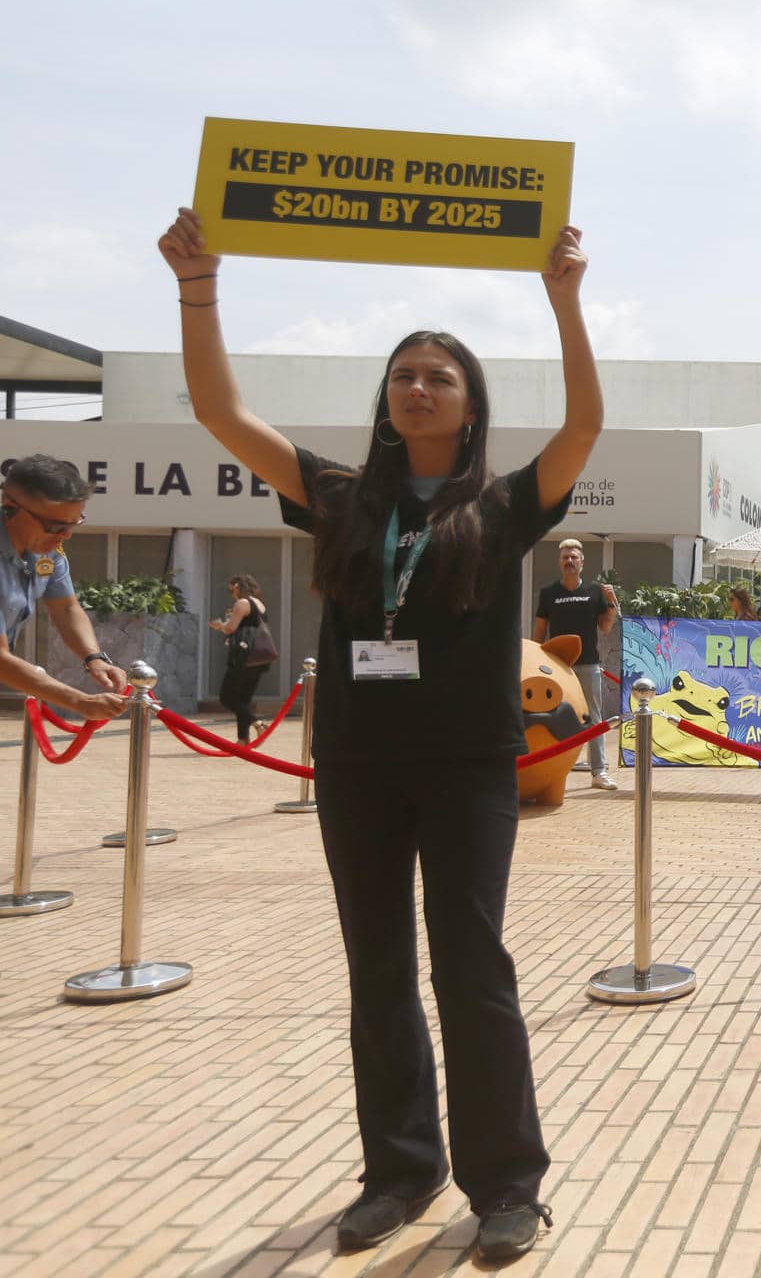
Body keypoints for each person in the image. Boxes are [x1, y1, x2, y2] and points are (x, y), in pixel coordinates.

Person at [159, 206, 603, 1261]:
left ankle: (507, 1182)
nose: (417, 386)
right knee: (378, 967)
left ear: (468, 404)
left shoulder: (501, 504)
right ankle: (401, 1169)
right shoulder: (341, 493)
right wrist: (198, 285)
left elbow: (583, 425)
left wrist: (565, 300)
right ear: (386, 399)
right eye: (404, 373)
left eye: (438, 377)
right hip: (355, 760)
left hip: (467, 768)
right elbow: (221, 412)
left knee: (471, 966)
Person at [0, 455, 130, 720]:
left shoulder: (48, 550)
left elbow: (67, 608)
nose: (66, 535)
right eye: (56, 526)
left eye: (75, 522)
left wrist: (95, 658)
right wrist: (79, 701)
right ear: (9, 506)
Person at [533, 540, 618, 791]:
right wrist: (534, 658)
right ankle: (553, 769)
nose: (569, 561)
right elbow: (540, 630)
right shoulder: (549, 593)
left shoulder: (594, 591)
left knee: (594, 718)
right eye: (565, 558)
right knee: (554, 717)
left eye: (574, 557)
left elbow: (605, 626)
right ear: (559, 562)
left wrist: (611, 602)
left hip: (588, 665)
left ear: (582, 562)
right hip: (557, 666)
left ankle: (599, 771)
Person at [208, 573, 272, 742]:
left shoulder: (242, 603)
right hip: (259, 657)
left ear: (237, 586)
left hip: (243, 656)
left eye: (232, 590)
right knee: (243, 699)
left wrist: (219, 626)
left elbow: (230, 628)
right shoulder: (260, 604)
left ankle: (258, 724)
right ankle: (242, 739)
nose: (232, 594)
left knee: (227, 697)